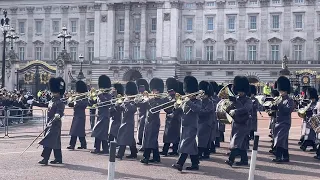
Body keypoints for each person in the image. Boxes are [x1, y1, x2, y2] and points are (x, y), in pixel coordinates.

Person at [30, 77, 66, 165]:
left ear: (58, 92)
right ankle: (58, 158)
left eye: (55, 92)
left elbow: (60, 112)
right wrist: (34, 102)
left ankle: (45, 159)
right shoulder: (52, 100)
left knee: (48, 140)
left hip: (55, 123)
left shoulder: (60, 102)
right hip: (50, 123)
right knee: (55, 141)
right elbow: (45, 104)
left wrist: (57, 115)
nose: (53, 93)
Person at [172, 76, 202, 171]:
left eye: (189, 92)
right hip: (184, 126)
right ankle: (195, 164)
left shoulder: (198, 101)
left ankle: (179, 164)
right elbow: (179, 112)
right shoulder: (185, 101)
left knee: (185, 145)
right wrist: (176, 106)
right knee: (191, 145)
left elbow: (197, 110)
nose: (187, 94)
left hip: (192, 126)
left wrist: (189, 102)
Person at [225, 76, 252, 167]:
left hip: (243, 124)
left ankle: (231, 160)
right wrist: (228, 106)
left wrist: (235, 110)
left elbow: (245, 109)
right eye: (238, 91)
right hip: (235, 124)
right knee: (242, 144)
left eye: (241, 91)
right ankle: (244, 160)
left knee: (235, 143)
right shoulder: (236, 99)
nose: (239, 93)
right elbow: (228, 109)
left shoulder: (248, 100)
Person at [140, 78, 166, 164]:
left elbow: (154, 109)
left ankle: (146, 157)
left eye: (156, 91)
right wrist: (141, 100)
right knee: (152, 140)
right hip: (148, 121)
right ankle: (156, 157)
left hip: (154, 122)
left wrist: (148, 100)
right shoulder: (151, 99)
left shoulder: (161, 100)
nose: (154, 92)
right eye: (153, 90)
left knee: (150, 140)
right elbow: (143, 108)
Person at [271, 76, 294, 163]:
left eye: (282, 91)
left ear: (286, 91)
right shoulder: (279, 99)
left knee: (279, 140)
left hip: (285, 123)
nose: (280, 93)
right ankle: (285, 157)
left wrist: (279, 105)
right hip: (277, 122)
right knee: (283, 140)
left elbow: (288, 110)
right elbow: (275, 111)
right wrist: (272, 109)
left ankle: (278, 157)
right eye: (280, 91)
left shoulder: (289, 100)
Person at [116, 81, 138, 160]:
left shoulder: (134, 101)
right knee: (130, 138)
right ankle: (134, 152)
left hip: (129, 122)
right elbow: (121, 109)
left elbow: (132, 109)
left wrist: (127, 102)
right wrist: (117, 104)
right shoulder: (127, 100)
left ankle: (120, 154)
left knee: (123, 138)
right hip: (124, 121)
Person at [91, 75, 112, 154]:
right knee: (100, 133)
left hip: (105, 116)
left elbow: (107, 103)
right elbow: (94, 103)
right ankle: (104, 149)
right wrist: (91, 98)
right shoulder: (100, 95)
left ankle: (99, 149)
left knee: (100, 132)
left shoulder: (109, 95)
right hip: (100, 116)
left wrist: (100, 95)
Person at [67, 80, 89, 150]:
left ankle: (72, 144)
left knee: (76, 130)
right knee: (78, 131)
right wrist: (70, 102)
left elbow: (85, 104)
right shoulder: (77, 95)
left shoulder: (84, 96)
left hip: (81, 115)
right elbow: (71, 104)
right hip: (76, 115)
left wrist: (77, 103)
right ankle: (83, 144)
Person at [161, 77, 180, 156]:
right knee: (167, 135)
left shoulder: (178, 98)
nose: (169, 92)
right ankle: (165, 150)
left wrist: (173, 113)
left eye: (171, 91)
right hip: (168, 118)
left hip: (176, 119)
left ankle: (175, 150)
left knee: (175, 136)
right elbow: (165, 107)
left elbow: (179, 108)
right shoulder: (168, 98)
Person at [197, 81, 214, 160]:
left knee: (203, 139)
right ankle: (205, 153)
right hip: (200, 122)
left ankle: (201, 153)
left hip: (206, 123)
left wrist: (197, 110)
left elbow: (206, 111)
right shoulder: (199, 101)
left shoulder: (210, 102)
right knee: (202, 139)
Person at [299, 87, 318, 151]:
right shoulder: (311, 102)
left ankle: (305, 144)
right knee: (309, 133)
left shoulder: (316, 103)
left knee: (310, 134)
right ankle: (314, 146)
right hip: (308, 121)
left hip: (314, 121)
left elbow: (316, 111)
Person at [136, 78, 150, 146]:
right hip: (140, 113)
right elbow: (137, 104)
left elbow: (147, 104)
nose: (141, 89)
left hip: (146, 113)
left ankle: (142, 141)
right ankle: (140, 139)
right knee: (140, 128)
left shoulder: (147, 96)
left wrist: (145, 99)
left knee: (143, 128)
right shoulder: (139, 95)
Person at [209, 81, 219, 153]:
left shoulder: (217, 98)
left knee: (214, 132)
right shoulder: (211, 98)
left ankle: (214, 146)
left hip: (214, 117)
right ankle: (212, 147)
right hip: (211, 117)